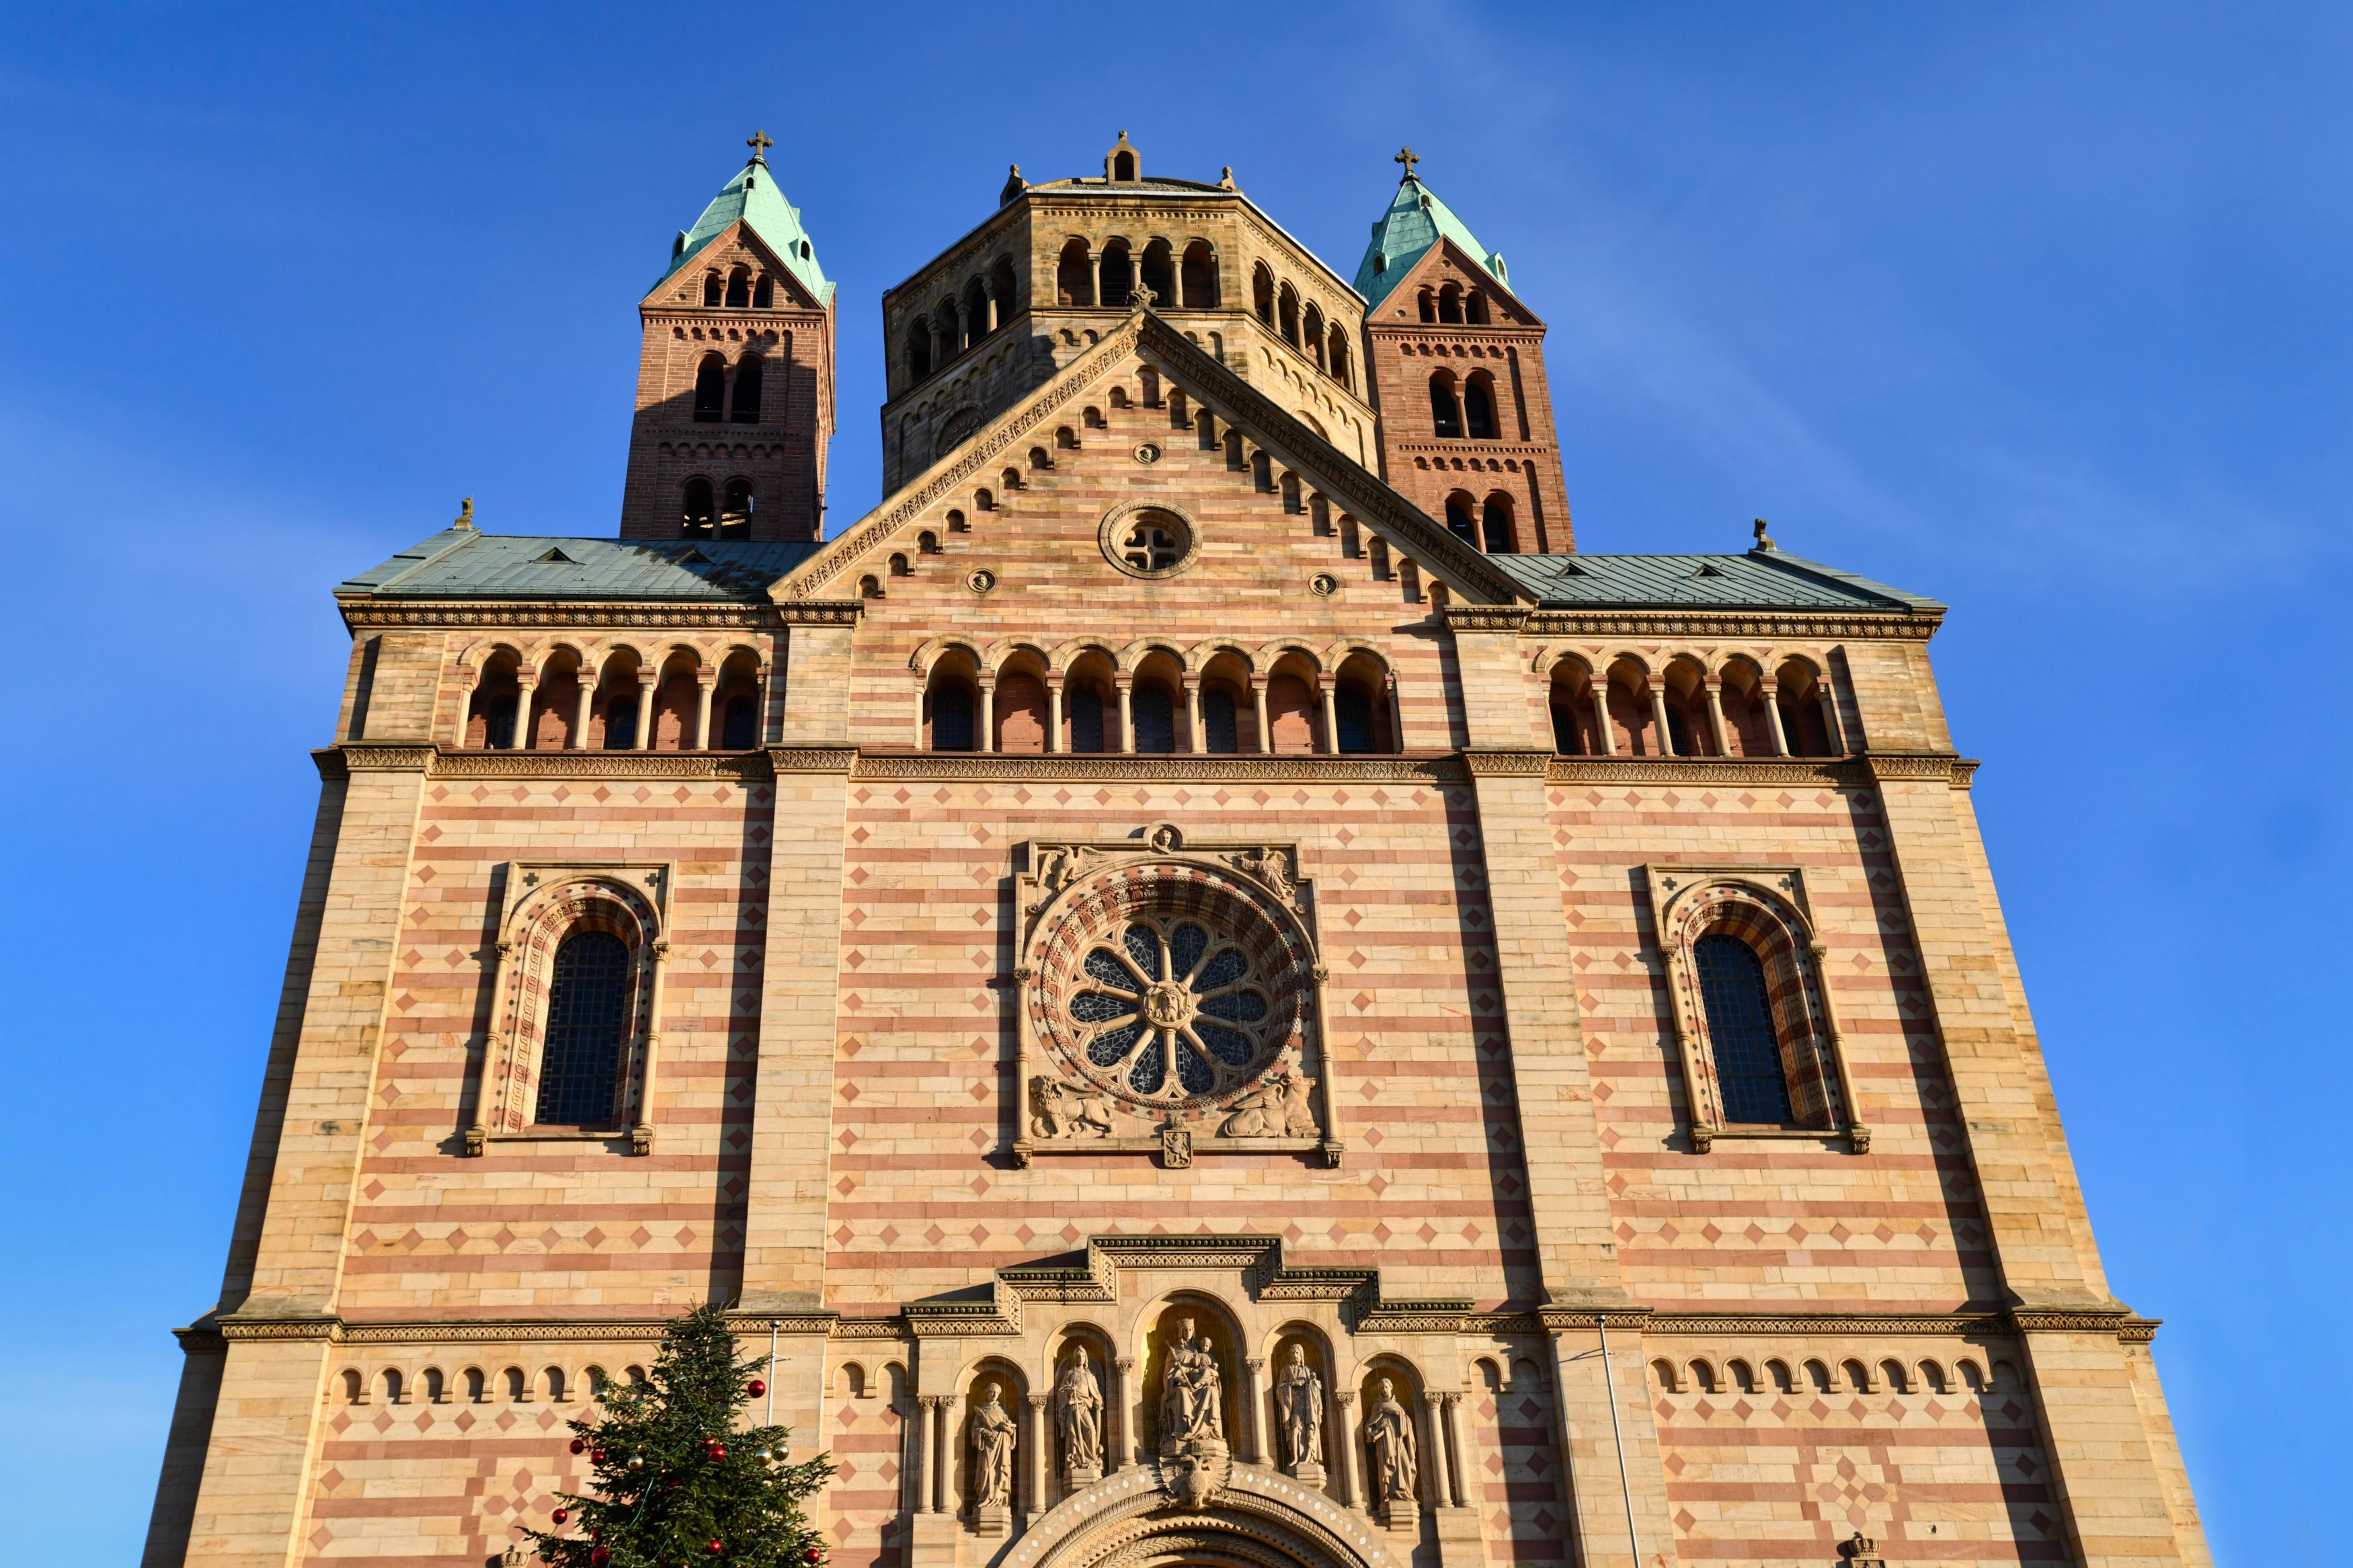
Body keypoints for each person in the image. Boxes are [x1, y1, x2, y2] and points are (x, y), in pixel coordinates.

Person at [1363, 1376, 1417, 1505]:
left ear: (1390, 1387)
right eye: (1382, 1388)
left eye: (1386, 1387)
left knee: (1405, 1465)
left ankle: (1407, 1494)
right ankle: (1389, 1494)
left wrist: (1399, 1415)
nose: (1384, 1390)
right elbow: (1369, 1425)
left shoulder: (1398, 1406)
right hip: (1385, 1444)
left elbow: (1407, 1426)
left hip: (1398, 1441)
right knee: (1386, 1468)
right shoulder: (1378, 1407)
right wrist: (1370, 1431)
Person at [1273, 1343, 1323, 1468]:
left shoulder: (1308, 1370)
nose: (1294, 1355)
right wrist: (1293, 1384)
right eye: (1292, 1353)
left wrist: (1314, 1383)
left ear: (1301, 1355)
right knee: (1295, 1430)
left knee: (1309, 1431)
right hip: (1294, 1405)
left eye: (1297, 1353)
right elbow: (1279, 1389)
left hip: (1308, 1405)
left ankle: (1309, 1457)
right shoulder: (1285, 1370)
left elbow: (1315, 1387)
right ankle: (1295, 1458)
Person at [1055, 1347, 1104, 1473]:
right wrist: (1070, 1393)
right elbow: (1061, 1391)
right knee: (1074, 1434)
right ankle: (1076, 1459)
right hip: (1073, 1407)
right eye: (1078, 1357)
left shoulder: (1090, 1376)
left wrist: (1098, 1402)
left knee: (1091, 1430)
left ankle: (1091, 1459)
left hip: (1085, 1407)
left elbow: (1096, 1394)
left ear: (1086, 1358)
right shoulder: (1070, 1374)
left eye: (1083, 1356)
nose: (1080, 1359)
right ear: (1075, 1358)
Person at [971, 1381, 1017, 1508]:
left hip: (1002, 1445)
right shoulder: (982, 1411)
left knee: (1000, 1472)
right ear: (987, 1393)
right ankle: (985, 1498)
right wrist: (985, 1432)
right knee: (986, 1470)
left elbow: (1012, 1430)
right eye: (992, 1391)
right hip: (988, 1446)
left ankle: (1000, 1500)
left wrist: (1007, 1428)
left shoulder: (1003, 1411)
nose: (994, 1394)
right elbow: (975, 1429)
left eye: (997, 1392)